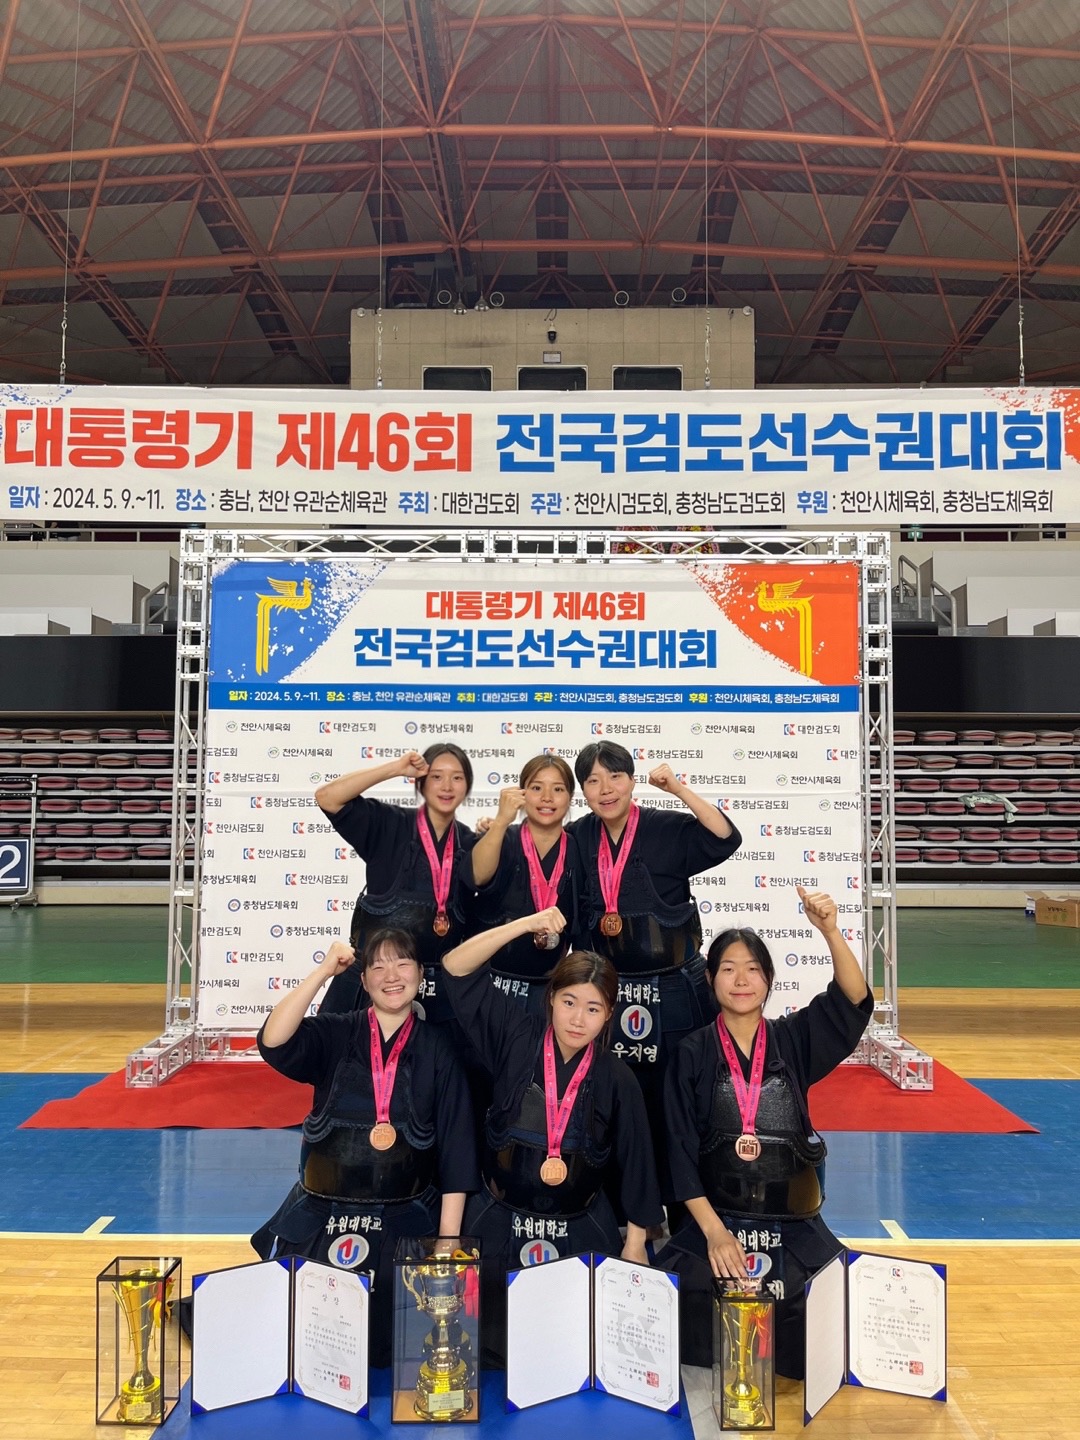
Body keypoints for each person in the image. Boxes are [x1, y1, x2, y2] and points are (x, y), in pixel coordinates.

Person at [662, 886, 873, 1377]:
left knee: (829, 1315)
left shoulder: (793, 1039)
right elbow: (676, 1150)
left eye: (753, 969)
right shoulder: (691, 1053)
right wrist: (714, 1234)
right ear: (710, 979)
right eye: (728, 969)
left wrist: (830, 931)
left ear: (769, 980)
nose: (741, 980)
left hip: (792, 1225)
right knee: (687, 1312)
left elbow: (853, 1000)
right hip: (717, 1220)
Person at [441, 908, 664, 1367]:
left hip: (581, 1224)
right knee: (486, 1350)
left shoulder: (617, 1078)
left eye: (593, 1008)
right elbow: (455, 968)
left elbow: (638, 1164)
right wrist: (524, 925)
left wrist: (635, 1243)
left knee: (574, 1350)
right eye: (569, 1002)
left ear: (609, 1014)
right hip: (499, 1217)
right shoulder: (514, 1035)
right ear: (551, 999)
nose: (578, 1019)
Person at [252, 930, 479, 1366]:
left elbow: (457, 1147)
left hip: (403, 1217)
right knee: (303, 1343)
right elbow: (273, 1041)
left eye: (403, 964)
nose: (391, 976)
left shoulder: (439, 1050)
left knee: (396, 1351)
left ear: (420, 975)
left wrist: (447, 1241)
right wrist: (324, 971)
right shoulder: (336, 1032)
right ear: (363, 980)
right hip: (323, 1215)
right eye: (378, 966)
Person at [567, 740, 742, 1157]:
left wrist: (678, 789)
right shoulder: (577, 837)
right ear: (582, 790)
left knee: (680, 1095)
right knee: (611, 1100)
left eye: (615, 777)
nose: (606, 789)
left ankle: (682, 1188)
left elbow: (725, 838)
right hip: (608, 991)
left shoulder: (664, 827)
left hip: (675, 986)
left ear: (631, 781)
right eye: (593, 781)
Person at [314, 745, 477, 1019]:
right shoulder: (389, 823)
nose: (447, 786)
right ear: (421, 782)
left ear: (467, 786)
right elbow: (327, 797)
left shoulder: (471, 843)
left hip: (438, 989)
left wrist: (495, 831)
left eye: (457, 777)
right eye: (436, 776)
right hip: (374, 981)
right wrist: (396, 768)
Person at [464, 754, 583, 1015]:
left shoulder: (578, 848)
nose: (547, 798)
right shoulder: (501, 837)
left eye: (558, 789)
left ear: (570, 798)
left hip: (548, 989)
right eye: (536, 788)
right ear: (521, 794)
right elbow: (477, 877)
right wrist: (500, 823)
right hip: (492, 981)